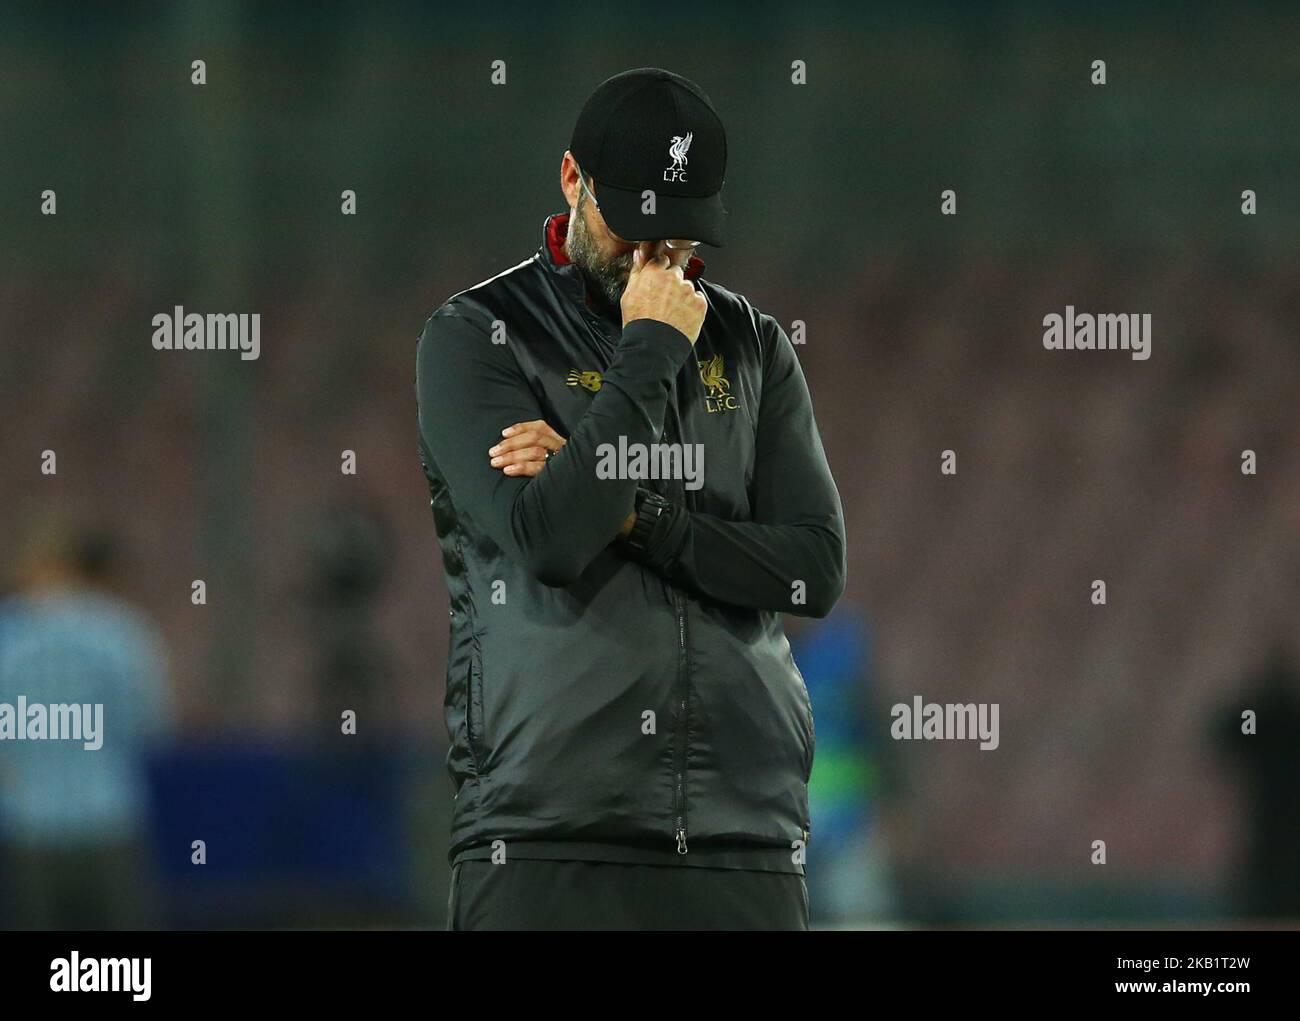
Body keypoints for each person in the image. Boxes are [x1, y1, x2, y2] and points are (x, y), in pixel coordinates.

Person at [415, 68, 846, 929]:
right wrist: (649, 347)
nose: (659, 257)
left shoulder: (753, 343)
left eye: (683, 236)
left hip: (743, 838)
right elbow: (548, 538)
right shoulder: (477, 338)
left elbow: (811, 569)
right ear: (572, 180)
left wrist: (634, 514)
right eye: (636, 227)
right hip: (548, 836)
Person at [0, 522, 174, 929]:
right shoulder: (120, 632)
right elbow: (150, 727)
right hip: (107, 816)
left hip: (28, 824)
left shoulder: (6, 637)